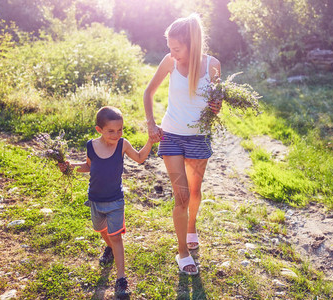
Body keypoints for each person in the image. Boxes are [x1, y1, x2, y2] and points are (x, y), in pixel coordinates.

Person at [143, 13, 222, 275]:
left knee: (195, 192)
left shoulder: (212, 66)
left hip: (199, 137)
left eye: (177, 48)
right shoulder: (169, 62)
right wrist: (151, 124)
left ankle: (191, 227)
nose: (172, 53)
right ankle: (183, 252)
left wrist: (216, 106)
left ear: (192, 43)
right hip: (172, 136)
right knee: (182, 196)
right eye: (170, 48)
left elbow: (216, 107)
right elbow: (148, 92)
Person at [59, 106, 153, 297]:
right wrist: (68, 168)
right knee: (102, 231)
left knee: (116, 236)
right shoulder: (91, 146)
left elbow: (141, 158)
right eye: (111, 131)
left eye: (120, 130)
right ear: (99, 130)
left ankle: (121, 280)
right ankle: (109, 248)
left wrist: (151, 140)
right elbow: (88, 166)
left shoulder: (122, 144)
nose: (116, 134)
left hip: (115, 201)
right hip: (95, 199)